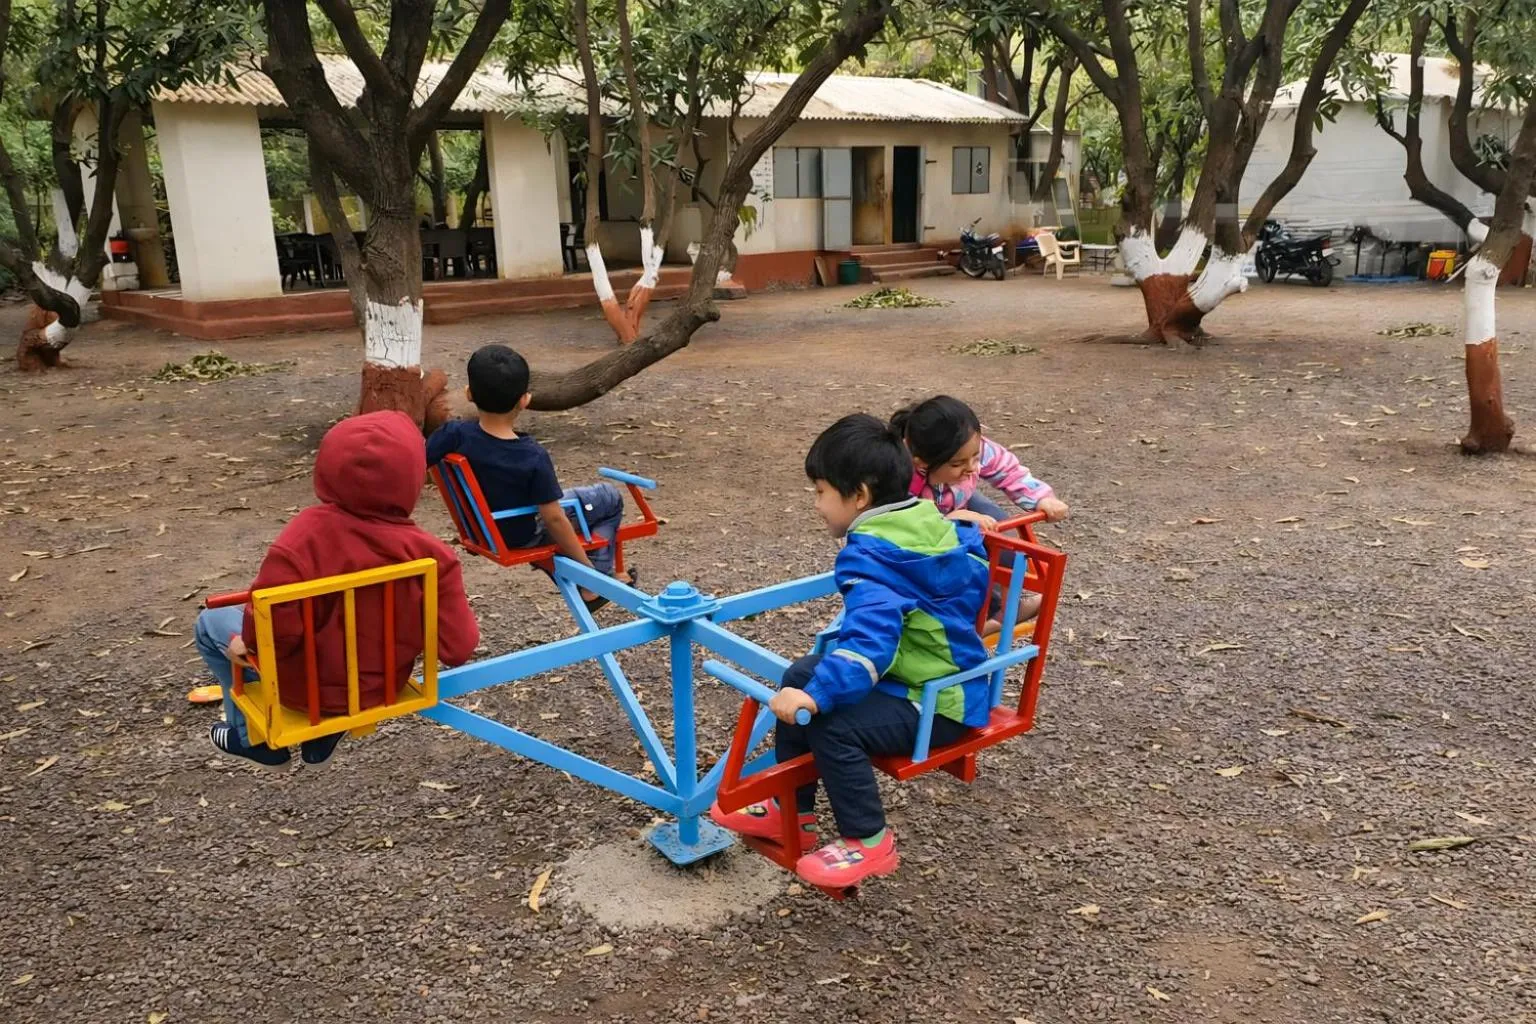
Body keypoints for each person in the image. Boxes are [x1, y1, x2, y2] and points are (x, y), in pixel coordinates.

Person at [709, 414, 994, 888]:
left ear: (859, 496)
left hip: (939, 700)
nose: (817, 504)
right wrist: (812, 687)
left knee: (831, 720)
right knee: (801, 672)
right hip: (922, 673)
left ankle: (868, 839)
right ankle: (790, 809)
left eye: (820, 491)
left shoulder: (872, 557)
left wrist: (818, 699)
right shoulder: (922, 519)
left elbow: (870, 644)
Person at [198, 411, 480, 769]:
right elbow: (459, 648)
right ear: (411, 477)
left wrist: (248, 644)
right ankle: (321, 736)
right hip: (379, 689)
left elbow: (277, 633)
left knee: (211, 622)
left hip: (302, 693)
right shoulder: (434, 555)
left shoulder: (301, 539)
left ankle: (250, 737)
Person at [426, 344, 637, 610]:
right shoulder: (531, 456)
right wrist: (587, 570)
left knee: (573, 503)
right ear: (525, 400)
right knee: (610, 497)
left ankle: (588, 574)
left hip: (481, 529)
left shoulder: (452, 434)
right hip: (524, 532)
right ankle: (593, 582)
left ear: (469, 394)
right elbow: (553, 518)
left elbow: (420, 458)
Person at [892, 395, 1068, 621]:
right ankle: (982, 615)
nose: (971, 467)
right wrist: (949, 520)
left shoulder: (969, 448)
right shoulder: (902, 474)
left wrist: (1041, 499)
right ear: (922, 462)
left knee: (1002, 533)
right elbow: (901, 523)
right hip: (919, 525)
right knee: (956, 558)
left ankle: (1008, 604)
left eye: (975, 458)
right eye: (957, 464)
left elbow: (1008, 470)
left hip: (958, 500)